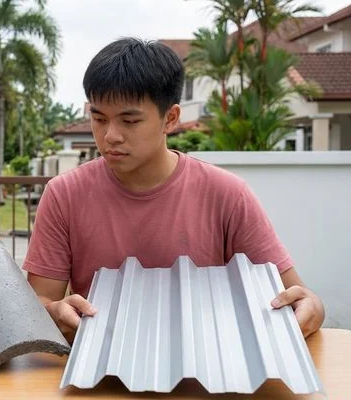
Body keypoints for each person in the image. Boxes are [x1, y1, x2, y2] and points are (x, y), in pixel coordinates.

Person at [23, 38, 324, 342]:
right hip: (97, 360)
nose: (110, 135)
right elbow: (40, 303)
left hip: (205, 359)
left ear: (170, 118)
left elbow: (295, 295)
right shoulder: (64, 195)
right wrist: (53, 313)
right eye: (99, 118)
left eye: (129, 121)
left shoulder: (227, 194)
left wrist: (312, 307)